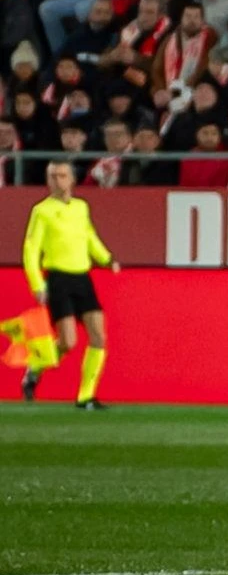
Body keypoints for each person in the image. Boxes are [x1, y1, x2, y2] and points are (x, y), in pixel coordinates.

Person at [21, 161, 116, 407]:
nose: (57, 180)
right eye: (52, 176)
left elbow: (89, 235)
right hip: (58, 278)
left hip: (82, 277)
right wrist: (37, 284)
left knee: (98, 336)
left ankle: (86, 396)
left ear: (72, 180)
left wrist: (107, 259)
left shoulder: (80, 207)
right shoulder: (42, 211)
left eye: (62, 175)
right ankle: (36, 367)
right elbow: (31, 250)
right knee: (67, 342)